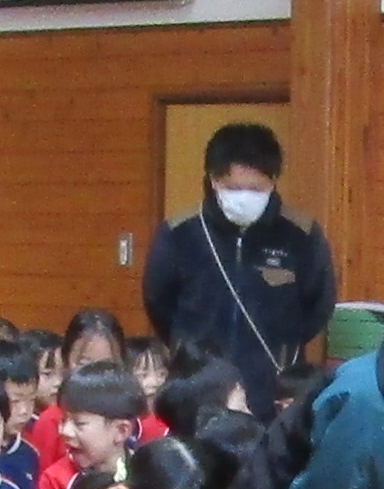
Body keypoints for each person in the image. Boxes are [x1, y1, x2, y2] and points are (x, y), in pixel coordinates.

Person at [140, 123, 336, 421]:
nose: (244, 197)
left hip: (271, 390)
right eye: (233, 188)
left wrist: (285, 350)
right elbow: (158, 301)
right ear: (213, 180)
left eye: (255, 189)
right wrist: (187, 347)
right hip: (197, 389)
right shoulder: (179, 232)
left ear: (273, 181)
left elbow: (319, 304)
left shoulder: (301, 234)